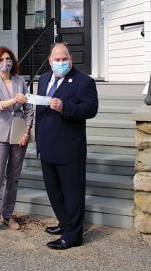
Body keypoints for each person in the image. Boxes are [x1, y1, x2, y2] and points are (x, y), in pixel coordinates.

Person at [35, 43, 98, 250]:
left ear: (70, 59)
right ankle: (65, 223)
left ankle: (73, 236)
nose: (61, 63)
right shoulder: (43, 78)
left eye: (64, 59)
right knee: (54, 192)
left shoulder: (84, 81)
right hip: (47, 146)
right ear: (50, 61)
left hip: (70, 149)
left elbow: (90, 109)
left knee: (73, 194)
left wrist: (65, 107)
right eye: (57, 60)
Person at [0, 47, 34, 240]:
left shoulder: (20, 81)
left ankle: (7, 215)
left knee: (14, 178)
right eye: (2, 59)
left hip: (19, 133)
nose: (6, 62)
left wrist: (27, 132)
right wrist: (13, 100)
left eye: (9, 58)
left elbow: (29, 109)